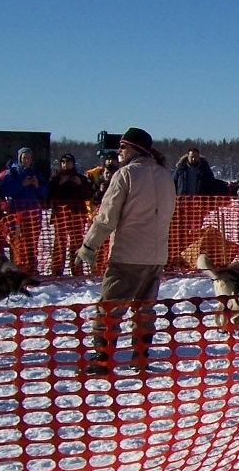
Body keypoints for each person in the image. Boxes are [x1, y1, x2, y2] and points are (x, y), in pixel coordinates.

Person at [75, 127, 176, 376]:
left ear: (135, 149)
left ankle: (102, 359)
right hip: (155, 257)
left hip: (127, 255)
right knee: (144, 310)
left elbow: (107, 217)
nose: (119, 152)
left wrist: (89, 246)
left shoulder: (126, 175)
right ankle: (140, 358)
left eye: (123, 147)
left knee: (109, 308)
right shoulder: (165, 176)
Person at [0, 147, 48, 274]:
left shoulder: (36, 173)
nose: (26, 160)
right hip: (17, 212)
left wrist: (37, 186)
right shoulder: (12, 173)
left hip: (33, 212)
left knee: (32, 242)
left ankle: (31, 268)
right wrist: (21, 185)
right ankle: (17, 268)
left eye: (29, 158)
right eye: (24, 158)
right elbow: (3, 190)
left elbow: (45, 192)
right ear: (20, 158)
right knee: (18, 241)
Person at [46, 153, 93, 275]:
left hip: (78, 214)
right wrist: (59, 184)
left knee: (76, 242)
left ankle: (77, 269)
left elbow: (88, 195)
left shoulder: (80, 178)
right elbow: (49, 196)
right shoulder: (55, 178)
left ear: (73, 163)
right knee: (60, 242)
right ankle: (56, 270)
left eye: (68, 162)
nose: (66, 164)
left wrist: (80, 184)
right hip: (60, 214)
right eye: (63, 162)